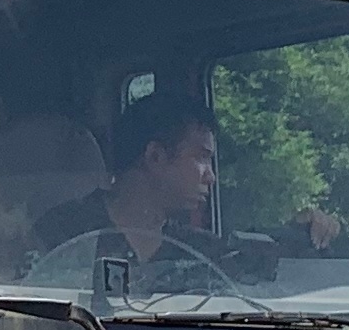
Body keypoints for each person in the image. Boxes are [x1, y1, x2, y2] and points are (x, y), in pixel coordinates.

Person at [28, 91, 230, 283]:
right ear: (155, 156)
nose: (210, 177)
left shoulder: (203, 253)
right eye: (201, 158)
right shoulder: (60, 232)